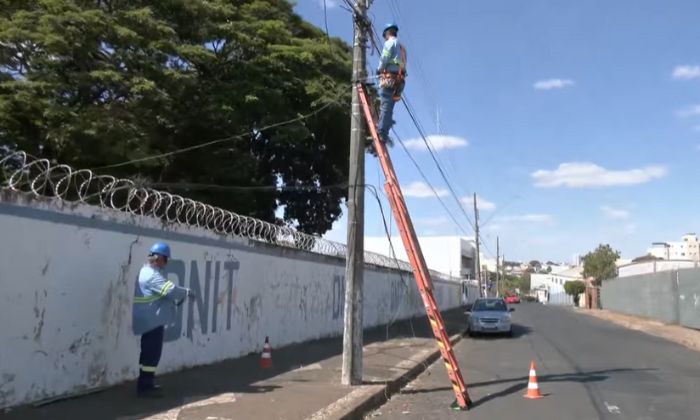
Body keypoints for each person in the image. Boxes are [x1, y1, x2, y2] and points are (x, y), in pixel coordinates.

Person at [132, 241, 193, 397]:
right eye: (166, 259)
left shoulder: (148, 272)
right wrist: (186, 292)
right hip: (151, 320)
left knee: (147, 353)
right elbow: (170, 290)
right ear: (158, 258)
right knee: (152, 353)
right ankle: (145, 386)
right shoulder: (151, 274)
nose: (166, 263)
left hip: (149, 319)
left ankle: (146, 381)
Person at [376, 22, 407, 146]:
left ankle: (382, 133)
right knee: (389, 109)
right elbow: (403, 65)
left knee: (385, 107)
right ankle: (385, 132)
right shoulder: (402, 48)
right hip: (399, 82)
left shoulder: (389, 43)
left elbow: (384, 58)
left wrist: (379, 69)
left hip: (389, 79)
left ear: (387, 33)